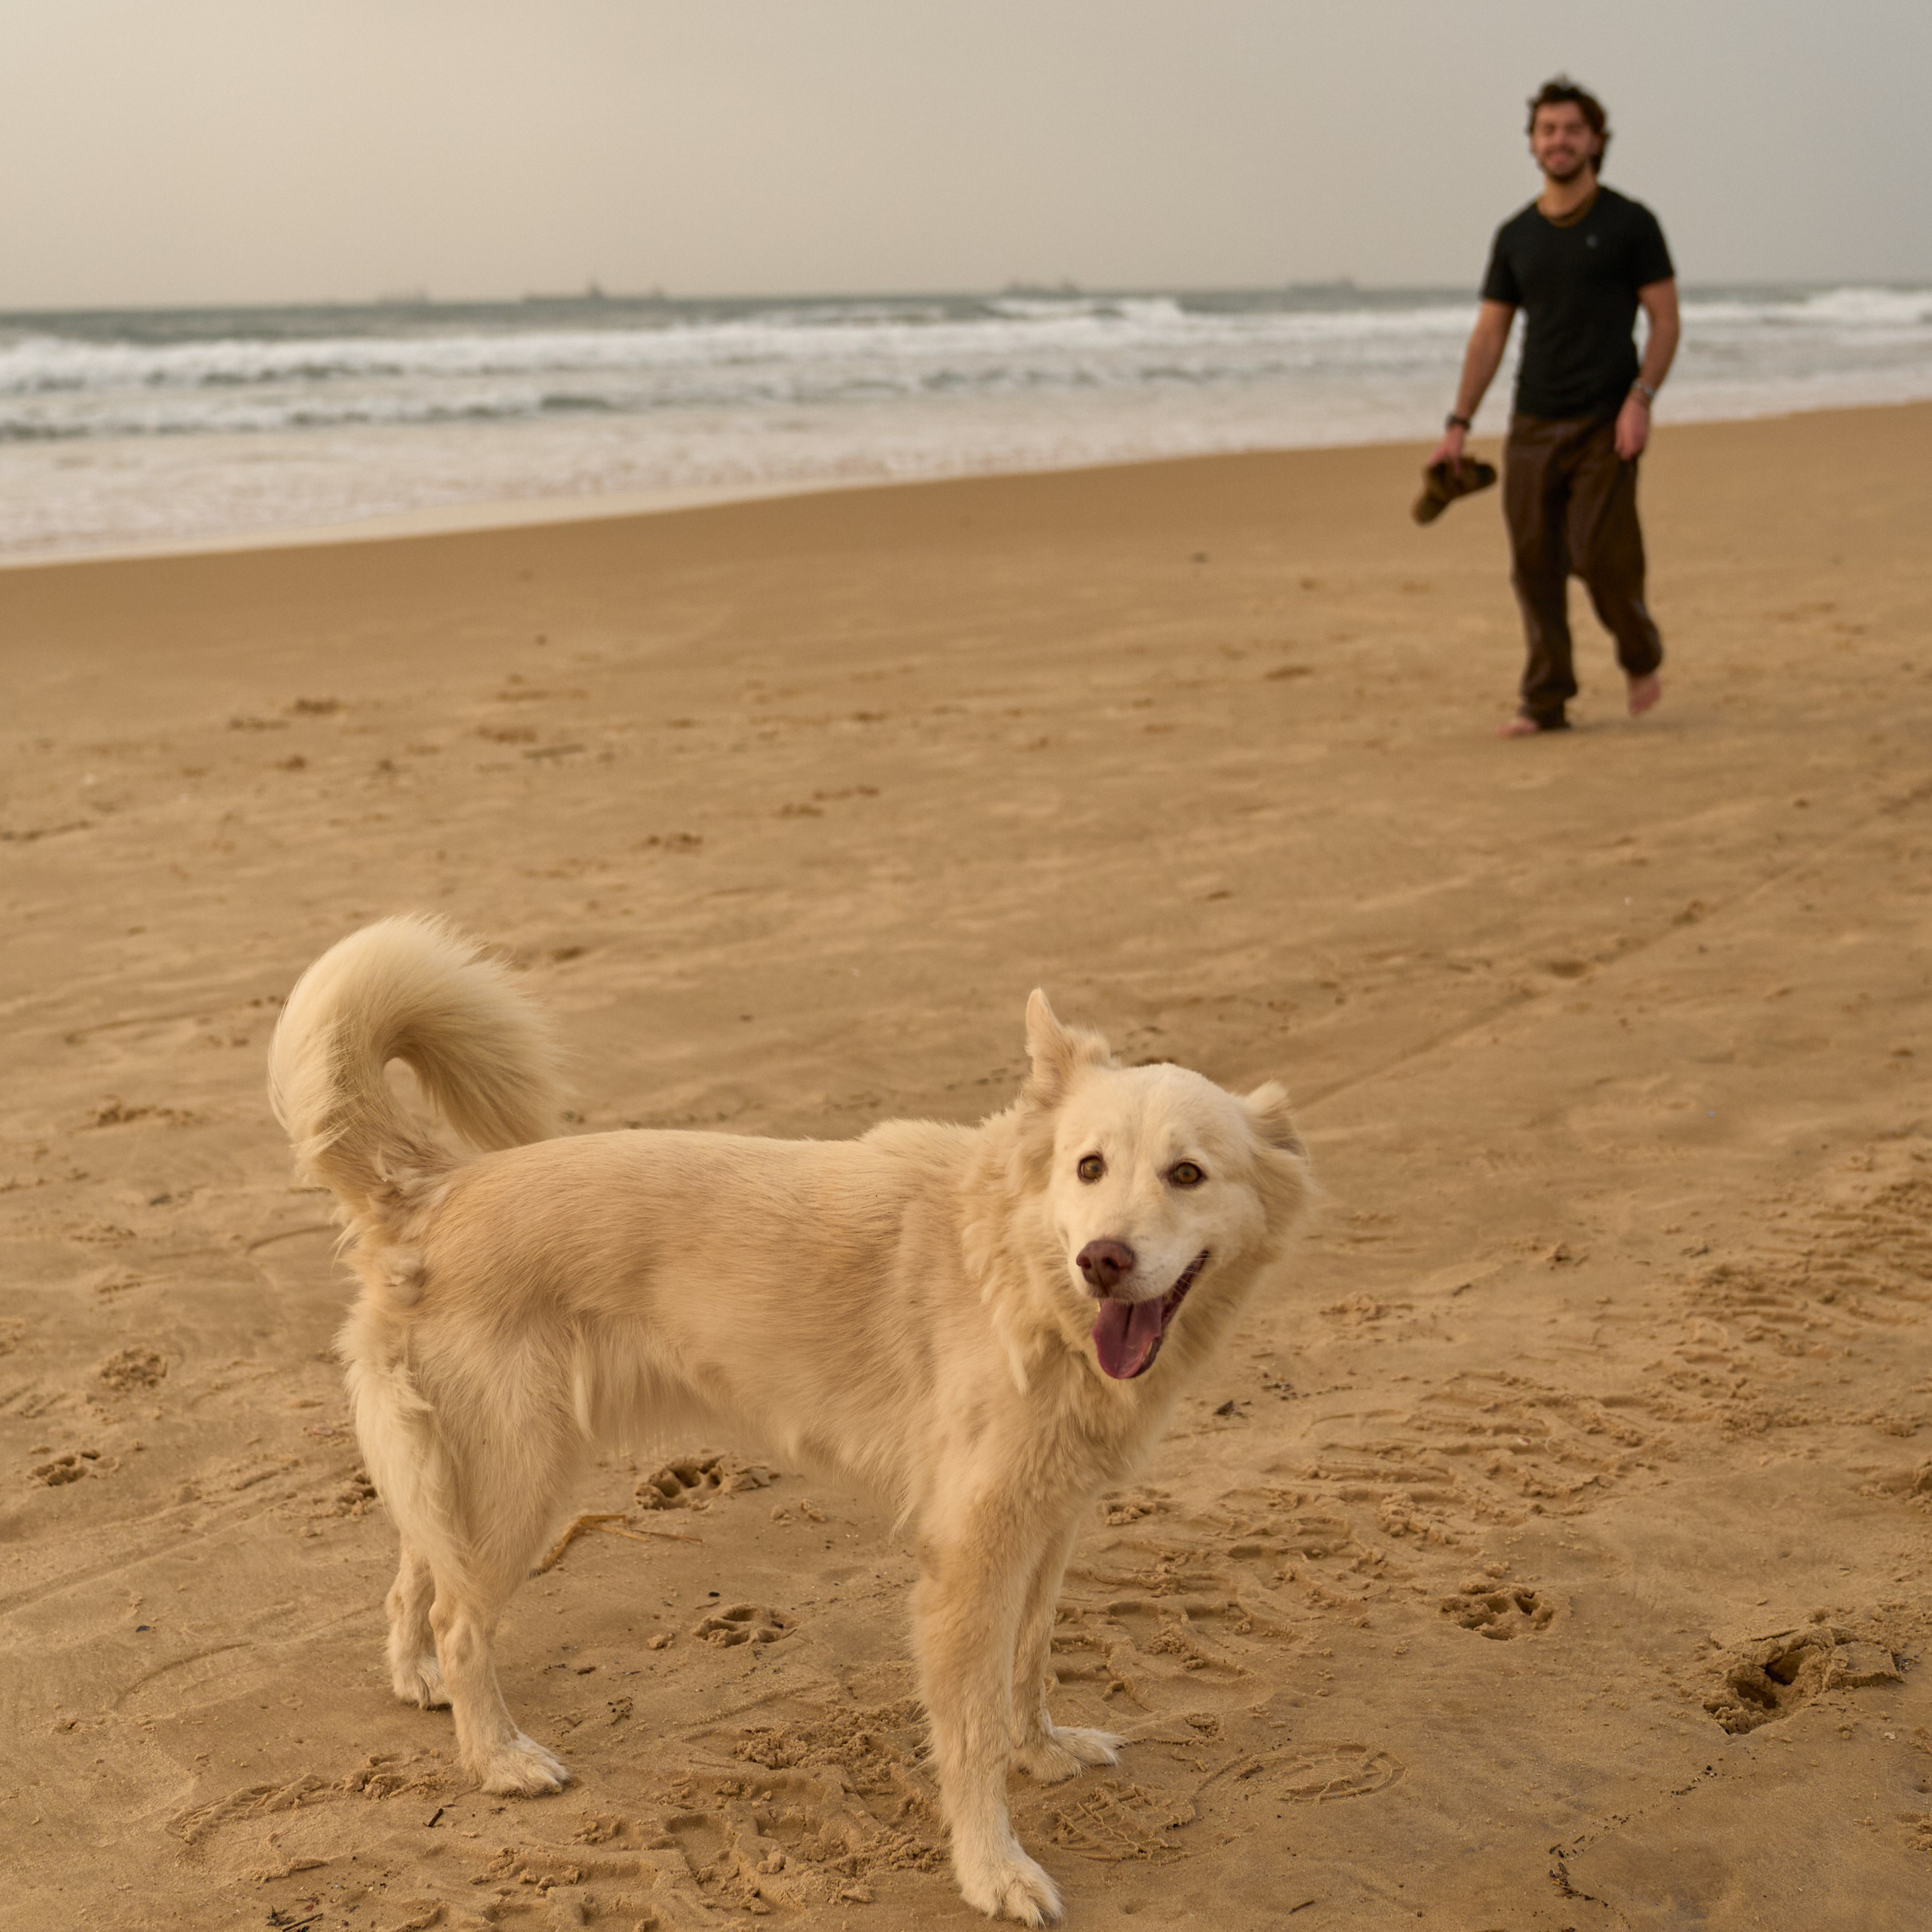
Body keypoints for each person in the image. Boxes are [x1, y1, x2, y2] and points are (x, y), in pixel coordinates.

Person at [1431, 77, 1680, 737]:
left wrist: (1641, 399)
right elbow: (1489, 335)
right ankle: (1545, 702)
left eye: (1572, 129)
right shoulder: (1516, 235)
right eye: (1547, 130)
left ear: (1595, 141)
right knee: (1534, 565)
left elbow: (1665, 321)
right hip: (1534, 422)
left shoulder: (1631, 224)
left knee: (1600, 556)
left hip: (1607, 421)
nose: (1559, 140)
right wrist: (1458, 425)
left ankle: (1639, 653)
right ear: (1532, 143)